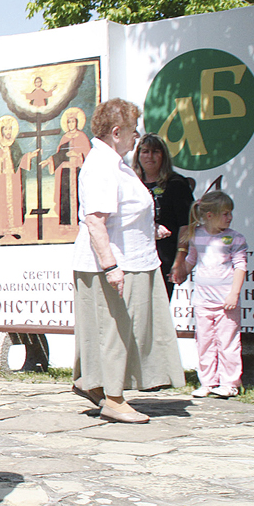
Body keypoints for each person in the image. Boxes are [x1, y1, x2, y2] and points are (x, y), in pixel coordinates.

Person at [71, 98, 184, 424]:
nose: (138, 137)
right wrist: (111, 266)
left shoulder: (114, 163)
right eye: (134, 131)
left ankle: (98, 387)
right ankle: (114, 398)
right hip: (115, 263)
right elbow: (95, 220)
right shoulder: (102, 165)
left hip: (132, 258)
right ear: (116, 131)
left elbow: (123, 213)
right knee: (116, 330)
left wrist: (151, 229)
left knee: (117, 329)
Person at [172, 191, 247, 398]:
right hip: (203, 301)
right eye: (225, 213)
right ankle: (208, 382)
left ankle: (230, 382)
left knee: (228, 342)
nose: (229, 217)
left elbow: (241, 267)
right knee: (204, 341)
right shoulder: (197, 235)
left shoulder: (235, 238)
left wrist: (234, 294)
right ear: (209, 215)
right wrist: (182, 272)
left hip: (226, 302)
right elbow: (191, 259)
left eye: (230, 213)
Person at [132, 133, 194, 299]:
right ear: (137, 155)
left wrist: (180, 260)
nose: (149, 156)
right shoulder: (130, 183)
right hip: (133, 257)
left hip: (164, 257)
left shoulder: (176, 183)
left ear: (163, 155)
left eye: (155, 151)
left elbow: (186, 224)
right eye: (145, 151)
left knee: (158, 313)